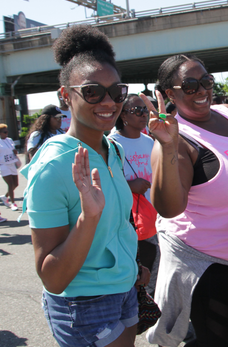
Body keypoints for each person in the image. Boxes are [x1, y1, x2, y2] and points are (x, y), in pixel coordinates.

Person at [21, 24, 146, 347]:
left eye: (116, 92)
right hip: (83, 303)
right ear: (65, 96)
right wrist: (86, 219)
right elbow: (52, 277)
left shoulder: (111, 149)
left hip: (123, 288)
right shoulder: (55, 166)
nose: (108, 102)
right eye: (92, 91)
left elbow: (116, 225)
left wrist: (129, 263)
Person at [145, 53, 228, 347]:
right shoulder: (177, 140)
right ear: (170, 94)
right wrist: (167, 147)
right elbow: (169, 208)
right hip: (207, 263)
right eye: (190, 85)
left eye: (206, 81)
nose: (203, 90)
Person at [109, 94, 160, 296]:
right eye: (137, 110)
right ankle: (140, 314)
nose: (143, 114)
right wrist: (129, 185)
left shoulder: (149, 142)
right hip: (128, 220)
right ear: (123, 116)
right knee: (138, 271)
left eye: (145, 111)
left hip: (153, 217)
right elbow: (104, 180)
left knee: (155, 268)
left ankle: (153, 313)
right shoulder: (111, 143)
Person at [0, 123, 20, 211]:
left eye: (7, 131)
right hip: (3, 165)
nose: (6, 133)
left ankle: (5, 196)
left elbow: (12, 150)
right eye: (4, 131)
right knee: (10, 184)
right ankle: (12, 203)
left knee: (16, 184)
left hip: (11, 164)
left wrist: (15, 152)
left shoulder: (9, 140)